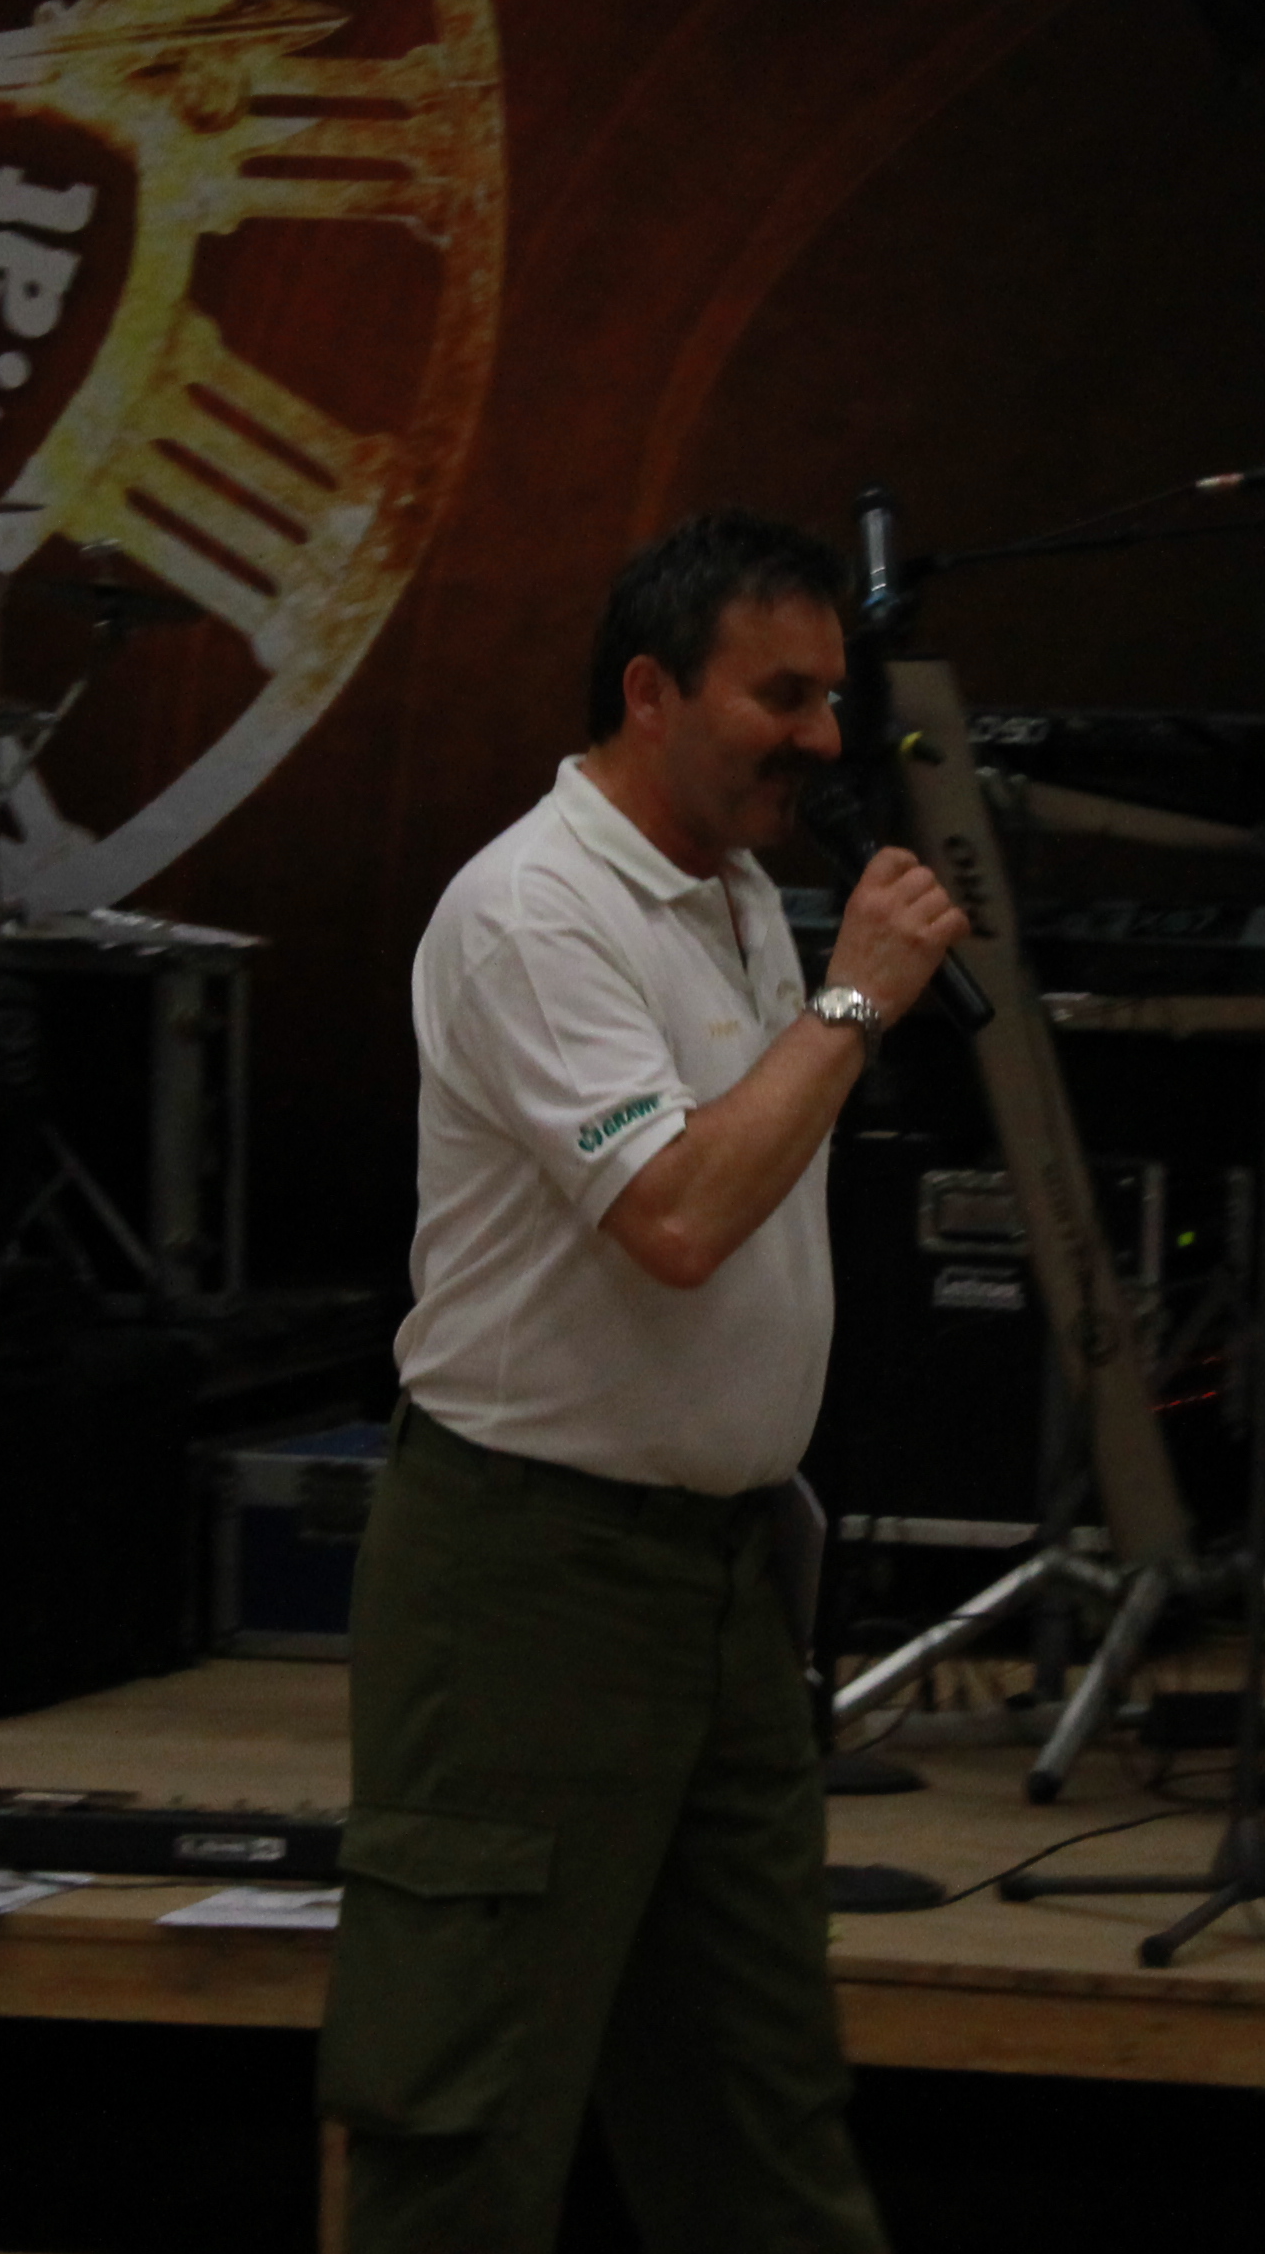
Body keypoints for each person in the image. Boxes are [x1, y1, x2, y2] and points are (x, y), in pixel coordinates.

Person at [320, 509, 971, 2253]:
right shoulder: (532, 910)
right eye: (781, 696)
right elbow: (675, 1215)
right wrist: (854, 1003)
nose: (821, 739)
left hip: (721, 1583)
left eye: (830, 697)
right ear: (648, 691)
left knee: (757, 2102)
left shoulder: (735, 892)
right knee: (466, 2112)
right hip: (529, 1583)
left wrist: (830, 993)